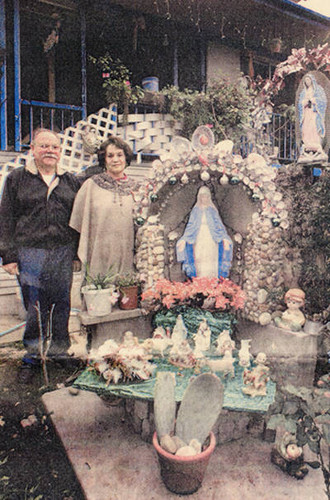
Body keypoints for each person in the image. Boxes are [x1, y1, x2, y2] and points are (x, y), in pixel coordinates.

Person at [0, 128, 81, 382]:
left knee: (61, 304)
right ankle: (33, 356)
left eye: (55, 147)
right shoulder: (17, 179)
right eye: (44, 146)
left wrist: (76, 254)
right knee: (34, 305)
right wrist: (9, 256)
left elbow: (77, 221)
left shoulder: (70, 181)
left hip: (62, 252)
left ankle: (59, 352)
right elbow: (5, 219)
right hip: (30, 252)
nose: (50, 151)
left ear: (60, 151)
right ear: (32, 149)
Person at [69, 136, 137, 284]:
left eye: (120, 155)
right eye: (110, 155)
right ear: (104, 160)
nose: (115, 160)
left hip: (127, 254)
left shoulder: (137, 188)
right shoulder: (91, 186)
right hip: (99, 253)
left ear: (126, 158)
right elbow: (77, 225)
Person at [176, 186, 233, 278]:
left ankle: (211, 279)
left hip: (211, 236)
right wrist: (185, 238)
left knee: (210, 256)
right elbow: (191, 225)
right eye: (202, 196)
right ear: (199, 197)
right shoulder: (195, 210)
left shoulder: (212, 210)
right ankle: (200, 279)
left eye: (206, 196)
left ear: (209, 197)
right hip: (198, 236)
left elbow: (218, 225)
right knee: (199, 256)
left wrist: (224, 237)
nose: (204, 199)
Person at [298, 73, 327, 162]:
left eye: (308, 80)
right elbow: (300, 104)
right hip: (306, 113)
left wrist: (314, 101)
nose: (307, 82)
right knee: (306, 129)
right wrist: (304, 102)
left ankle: (315, 145)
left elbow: (323, 101)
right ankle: (307, 145)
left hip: (314, 112)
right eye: (305, 80)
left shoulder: (317, 90)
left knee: (314, 128)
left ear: (312, 81)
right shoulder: (304, 92)